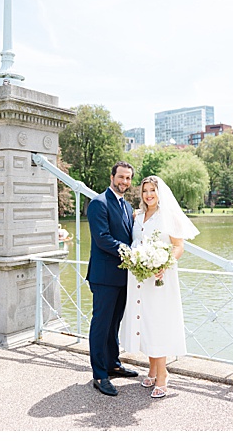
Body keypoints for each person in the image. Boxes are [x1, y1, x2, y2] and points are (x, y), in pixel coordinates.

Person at [119, 175, 198, 399]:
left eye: (152, 190)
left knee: (157, 323)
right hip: (139, 278)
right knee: (144, 321)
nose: (148, 194)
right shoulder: (138, 215)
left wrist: (163, 263)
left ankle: (163, 376)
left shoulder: (168, 216)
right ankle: (152, 369)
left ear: (159, 192)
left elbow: (178, 247)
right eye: (145, 190)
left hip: (160, 277)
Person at [85, 161, 140, 396]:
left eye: (128, 178)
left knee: (114, 324)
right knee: (101, 324)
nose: (124, 182)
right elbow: (103, 238)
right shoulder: (99, 203)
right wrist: (132, 252)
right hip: (104, 276)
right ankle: (99, 374)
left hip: (123, 276)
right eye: (121, 177)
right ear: (112, 177)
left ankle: (113, 364)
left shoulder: (127, 206)